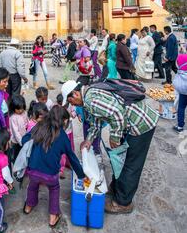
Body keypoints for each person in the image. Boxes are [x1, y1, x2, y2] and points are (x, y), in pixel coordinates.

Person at [64, 80, 159, 214]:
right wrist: (89, 140)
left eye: (71, 101)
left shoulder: (90, 99)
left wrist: (114, 137)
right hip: (130, 122)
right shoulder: (89, 93)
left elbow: (117, 114)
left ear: (75, 93)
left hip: (141, 123)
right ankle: (117, 188)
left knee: (131, 164)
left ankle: (123, 203)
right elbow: (97, 120)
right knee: (120, 159)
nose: (72, 105)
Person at [22, 106, 85, 228]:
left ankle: (28, 207)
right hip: (50, 175)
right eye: (66, 120)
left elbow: (24, 140)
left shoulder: (39, 126)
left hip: (32, 171)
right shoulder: (63, 137)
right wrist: (81, 174)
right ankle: (52, 217)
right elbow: (72, 158)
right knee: (54, 188)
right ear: (63, 120)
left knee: (33, 185)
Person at [9, 94, 28, 165]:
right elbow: (16, 133)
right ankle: (15, 168)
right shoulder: (13, 118)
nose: (20, 110)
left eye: (22, 108)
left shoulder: (24, 113)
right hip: (16, 142)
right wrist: (21, 142)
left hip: (24, 138)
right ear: (13, 108)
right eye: (18, 109)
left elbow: (27, 123)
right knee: (16, 156)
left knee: (22, 155)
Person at [173, 54, 187, 133]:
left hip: (183, 87)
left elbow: (177, 67)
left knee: (181, 107)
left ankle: (180, 126)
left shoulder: (181, 57)